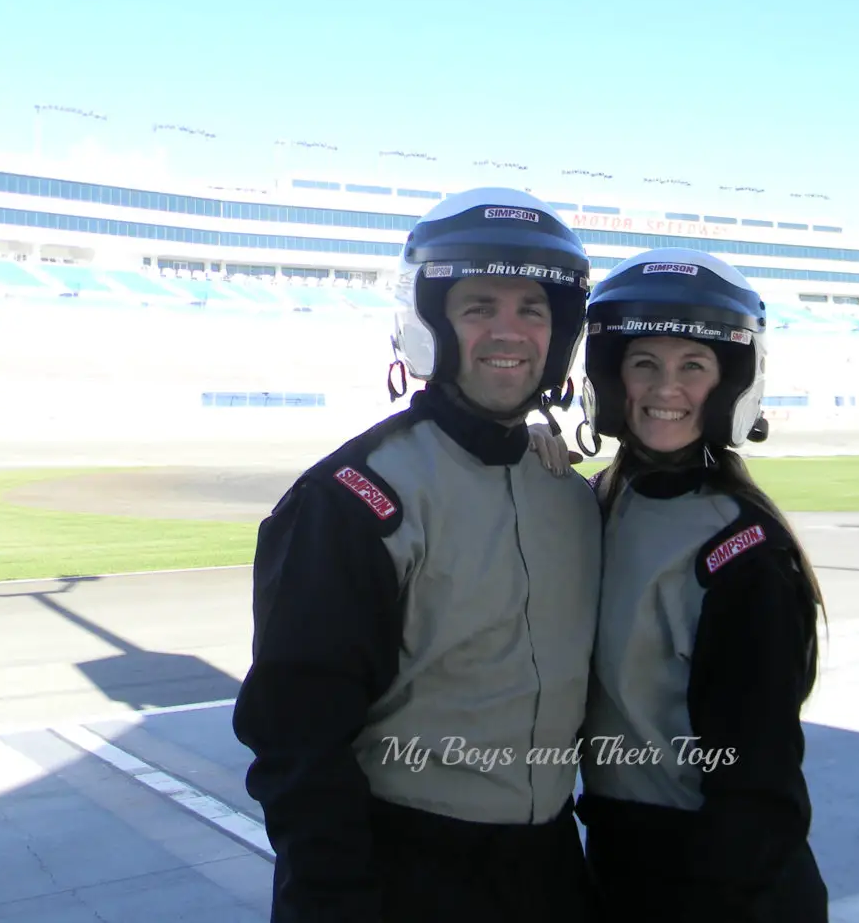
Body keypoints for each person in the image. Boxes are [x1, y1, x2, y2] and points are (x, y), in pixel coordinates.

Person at [231, 187, 602, 923]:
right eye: (478, 308)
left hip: (552, 867)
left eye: (532, 310)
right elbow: (297, 741)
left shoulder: (569, 495)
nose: (510, 331)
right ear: (428, 326)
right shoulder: (357, 498)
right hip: (406, 869)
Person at [533, 246, 828, 921]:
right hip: (620, 854)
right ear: (615, 380)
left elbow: (757, 781)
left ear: (727, 384)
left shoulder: (742, 551)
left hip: (716, 880)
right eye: (645, 364)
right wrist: (520, 460)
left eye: (693, 366)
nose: (666, 387)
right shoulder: (598, 503)